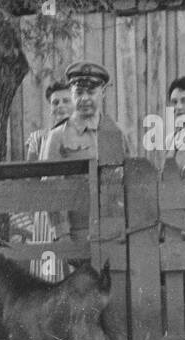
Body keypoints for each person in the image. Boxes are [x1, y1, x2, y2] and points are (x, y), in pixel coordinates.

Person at [40, 61, 131, 242]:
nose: (85, 98)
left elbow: (129, 181)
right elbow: (51, 188)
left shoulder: (116, 134)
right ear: (72, 94)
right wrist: (62, 234)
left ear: (102, 93)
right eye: (79, 92)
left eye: (91, 92)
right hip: (78, 233)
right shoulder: (58, 136)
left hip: (115, 232)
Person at [11, 80, 71, 281]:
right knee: (48, 271)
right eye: (55, 103)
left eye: (65, 101)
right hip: (47, 211)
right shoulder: (41, 137)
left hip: (74, 208)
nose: (60, 106)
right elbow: (31, 179)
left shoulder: (83, 136)